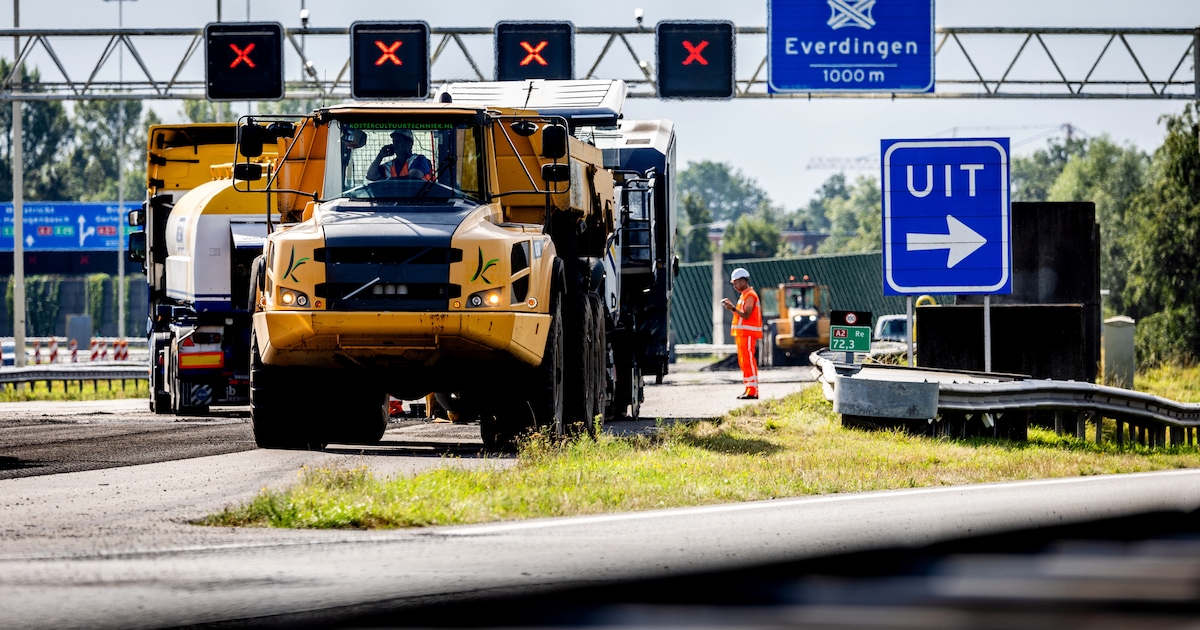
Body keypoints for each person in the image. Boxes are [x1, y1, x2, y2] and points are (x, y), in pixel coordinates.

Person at [721, 267, 762, 400]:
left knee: (748, 360)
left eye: (735, 283)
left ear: (743, 281)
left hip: (748, 334)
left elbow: (746, 315)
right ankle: (749, 389)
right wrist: (732, 308)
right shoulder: (744, 295)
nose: (734, 286)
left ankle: (753, 391)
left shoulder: (750, 295)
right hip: (743, 334)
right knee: (744, 361)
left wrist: (732, 308)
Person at [366, 129, 432, 182]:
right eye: (394, 141)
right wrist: (380, 156)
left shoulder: (419, 160)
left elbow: (413, 179)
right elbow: (371, 176)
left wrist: (387, 181)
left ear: (409, 144)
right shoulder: (390, 165)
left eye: (399, 141)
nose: (395, 144)